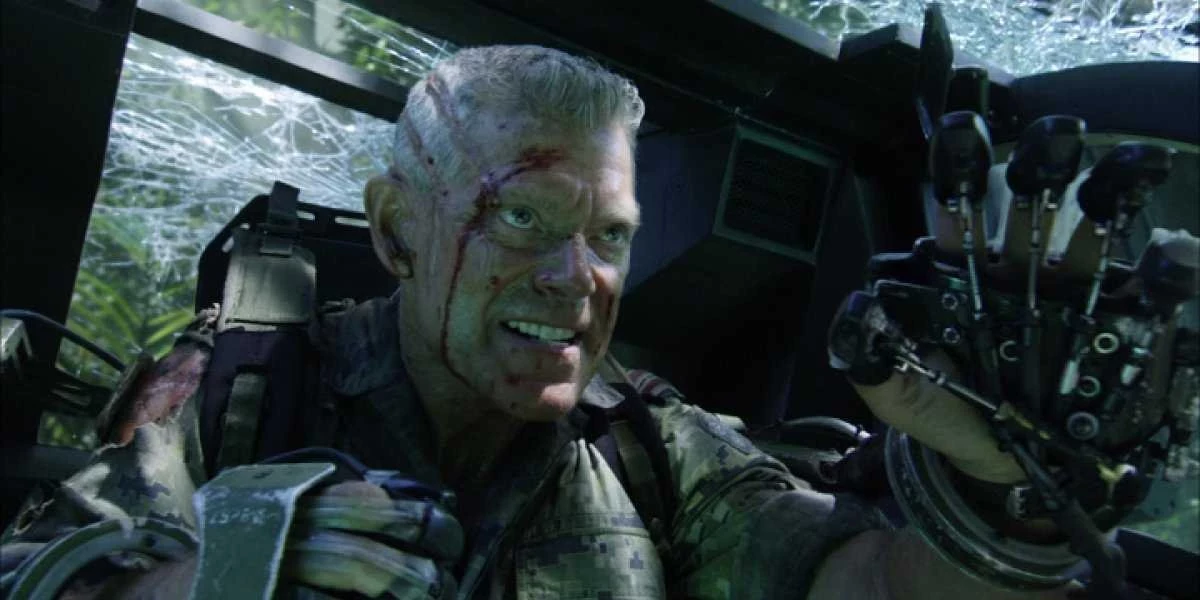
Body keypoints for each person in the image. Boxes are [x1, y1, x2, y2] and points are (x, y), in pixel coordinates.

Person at [2, 45, 1072, 599]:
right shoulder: (235, 391)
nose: (576, 278)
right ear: (397, 231)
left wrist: (1009, 498)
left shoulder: (652, 448)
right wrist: (210, 581)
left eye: (610, 236)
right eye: (522, 217)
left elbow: (870, 586)